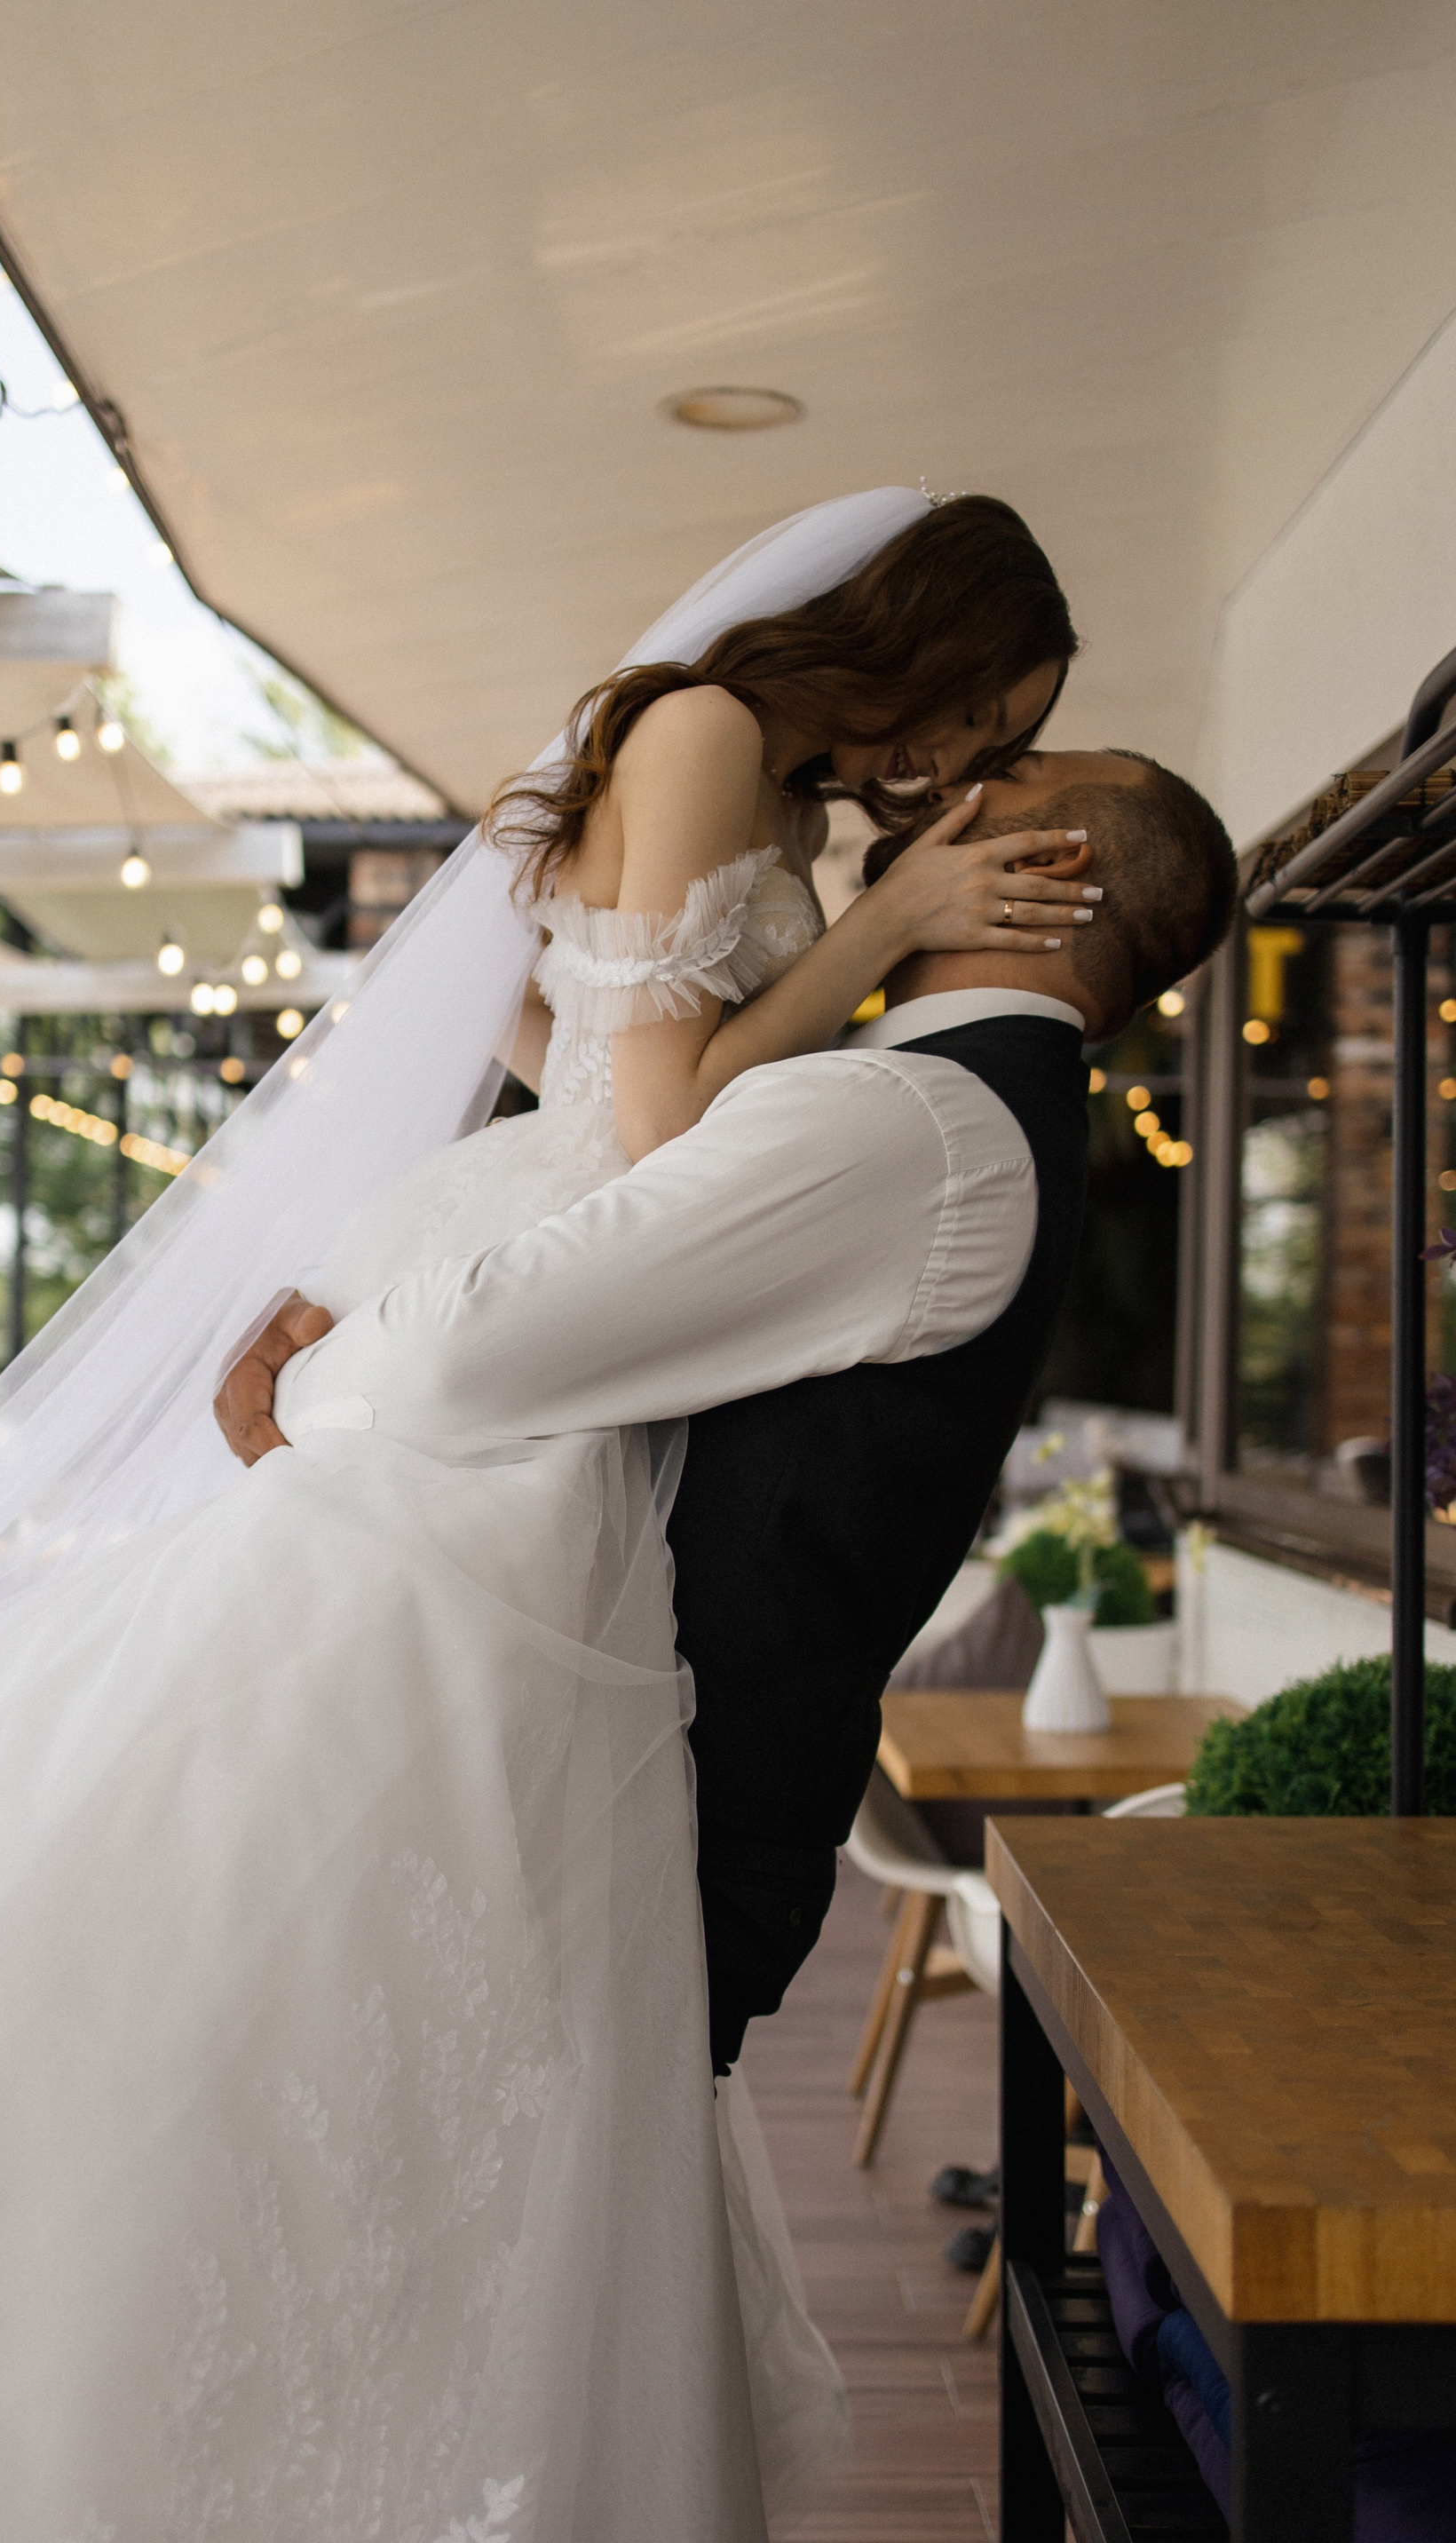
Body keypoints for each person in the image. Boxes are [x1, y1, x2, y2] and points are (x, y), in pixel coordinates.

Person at [0, 494, 1167, 2543]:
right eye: (973, 715)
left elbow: (575, 1039)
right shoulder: (707, 735)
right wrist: (846, 956)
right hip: (556, 1295)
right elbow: (655, 1124)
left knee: (420, 1913)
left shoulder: (770, 804)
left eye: (998, 751)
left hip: (567, 1280)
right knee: (324, 1853)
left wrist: (652, 1040)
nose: (955, 770)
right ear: (913, 637)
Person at [219, 748, 1238, 2081]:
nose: (966, 774)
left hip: (654, 1827)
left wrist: (290, 1386)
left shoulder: (917, 1120)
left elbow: (460, 1358)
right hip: (637, 1805)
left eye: (1021, 769)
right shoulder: (927, 1093)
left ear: (1048, 863)